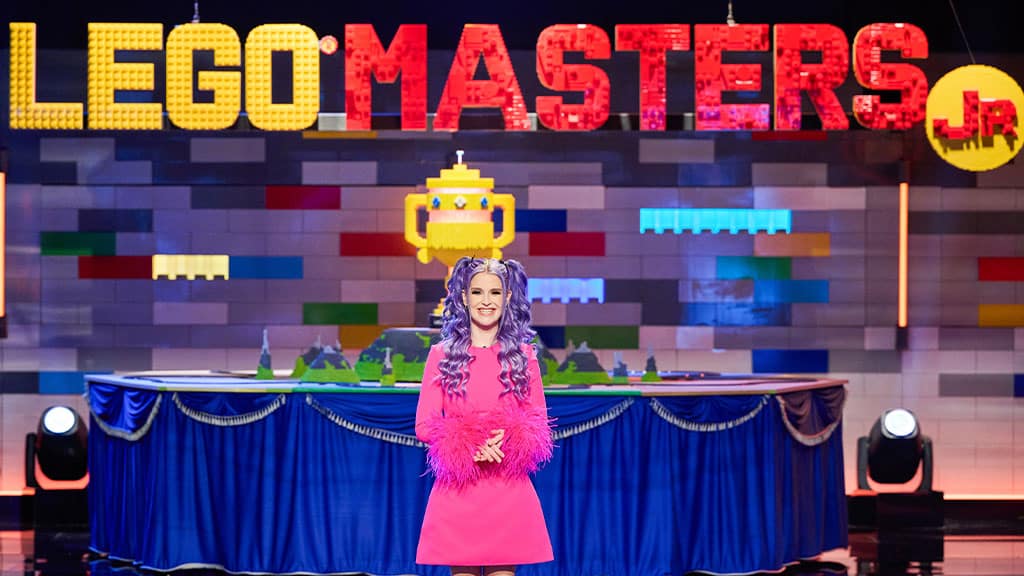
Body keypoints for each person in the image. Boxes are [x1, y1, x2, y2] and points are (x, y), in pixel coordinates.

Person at [415, 257, 554, 576]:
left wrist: (507, 440)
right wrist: (471, 444)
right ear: (464, 297)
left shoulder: (523, 357)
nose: (486, 301)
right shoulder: (442, 355)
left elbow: (539, 424)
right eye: (477, 292)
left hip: (507, 487)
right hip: (459, 489)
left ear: (507, 297)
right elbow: (424, 425)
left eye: (495, 292)